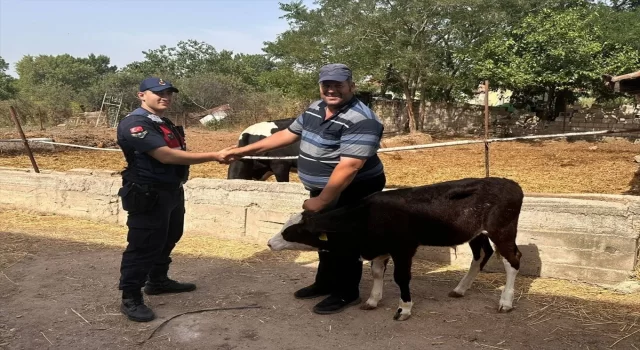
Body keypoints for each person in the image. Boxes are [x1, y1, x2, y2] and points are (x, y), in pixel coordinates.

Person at [220, 63, 386, 314]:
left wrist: (321, 201)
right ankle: (325, 282)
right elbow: (288, 134)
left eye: (338, 85)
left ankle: (345, 292)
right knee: (322, 235)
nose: (331, 90)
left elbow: (350, 166)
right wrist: (243, 151)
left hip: (353, 187)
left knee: (345, 239)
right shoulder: (317, 107)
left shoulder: (362, 120)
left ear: (351, 86)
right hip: (324, 187)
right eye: (326, 85)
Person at [116, 77, 233, 322]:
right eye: (158, 92)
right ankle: (130, 297)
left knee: (170, 236)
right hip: (148, 193)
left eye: (169, 93)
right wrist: (214, 155)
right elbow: (166, 156)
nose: (165, 97)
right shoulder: (135, 124)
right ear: (141, 95)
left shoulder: (162, 121)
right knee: (143, 245)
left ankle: (157, 281)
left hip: (171, 190)